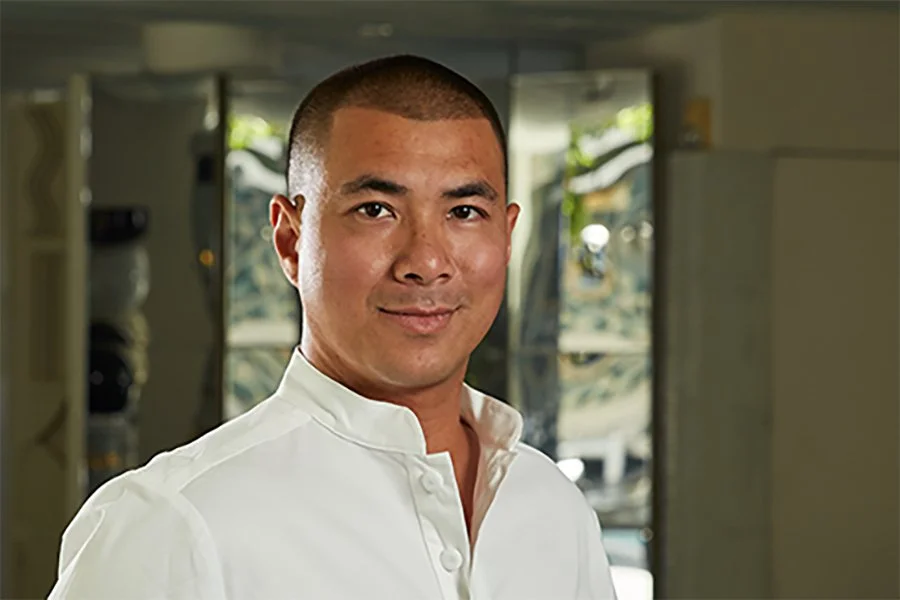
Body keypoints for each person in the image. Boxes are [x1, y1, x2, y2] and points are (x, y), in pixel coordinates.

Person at [49, 55, 617, 600]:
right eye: (375, 210)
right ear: (291, 240)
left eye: (464, 212)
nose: (425, 260)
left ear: (507, 235)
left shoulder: (552, 510)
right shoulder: (174, 522)